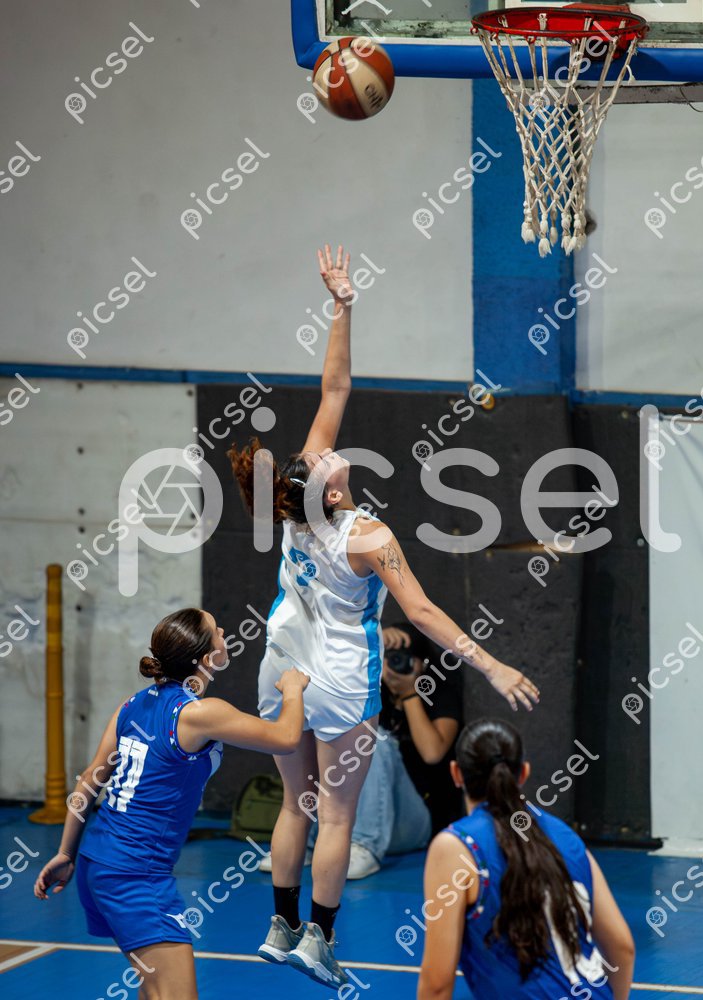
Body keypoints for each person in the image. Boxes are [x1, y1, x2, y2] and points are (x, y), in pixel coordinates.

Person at [227, 244, 540, 989]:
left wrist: (341, 306)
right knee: (335, 816)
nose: (330, 452)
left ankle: (278, 925)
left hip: (282, 668)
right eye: (329, 462)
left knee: (296, 804)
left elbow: (335, 385)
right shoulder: (368, 537)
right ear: (332, 491)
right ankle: (318, 938)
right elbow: (422, 611)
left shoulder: (297, 504)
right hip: (340, 677)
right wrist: (491, 664)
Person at [33, 608, 308, 1000]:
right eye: (216, 630)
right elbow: (287, 738)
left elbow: (89, 779)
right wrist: (294, 690)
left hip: (97, 861)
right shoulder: (200, 714)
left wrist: (66, 852)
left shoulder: (132, 705)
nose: (224, 630)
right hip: (135, 876)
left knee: (154, 989)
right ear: (207, 657)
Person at [418, 719, 635, 1000]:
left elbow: (436, 985)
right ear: (524, 773)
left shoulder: (455, 847)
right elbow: (622, 947)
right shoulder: (564, 834)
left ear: (456, 773)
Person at [257, 620, 464, 879]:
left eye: (403, 658)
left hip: (413, 822)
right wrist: (372, 641)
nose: (394, 664)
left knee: (373, 738)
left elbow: (433, 753)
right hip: (348, 820)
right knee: (333, 738)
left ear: (421, 664)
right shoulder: (371, 689)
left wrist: (410, 695)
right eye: (388, 657)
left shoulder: (439, 693)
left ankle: (366, 846)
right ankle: (304, 843)